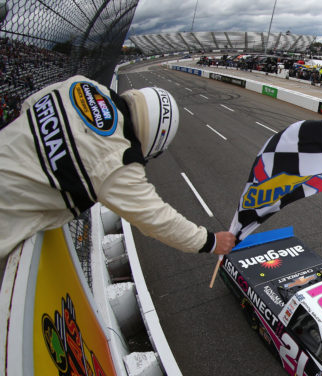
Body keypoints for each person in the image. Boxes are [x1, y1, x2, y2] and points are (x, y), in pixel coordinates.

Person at [0, 75, 235, 259]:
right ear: (154, 139)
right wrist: (211, 241)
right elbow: (156, 219)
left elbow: (28, 104)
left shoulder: (81, 84)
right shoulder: (118, 158)